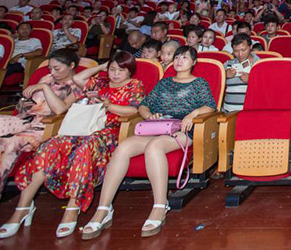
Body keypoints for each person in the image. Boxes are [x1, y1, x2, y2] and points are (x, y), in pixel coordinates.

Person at [2, 52, 145, 238]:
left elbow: (134, 110)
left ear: (130, 71)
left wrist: (107, 104)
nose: (116, 74)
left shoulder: (134, 85)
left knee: (85, 148)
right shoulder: (99, 83)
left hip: (110, 131)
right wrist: (102, 67)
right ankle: (23, 207)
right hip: (82, 128)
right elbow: (78, 77)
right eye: (112, 69)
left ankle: (72, 206)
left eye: (121, 70)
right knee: (50, 146)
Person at [82, 46, 216, 239]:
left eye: (185, 57)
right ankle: (103, 209)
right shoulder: (164, 83)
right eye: (177, 57)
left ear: (193, 62)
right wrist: (149, 116)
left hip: (183, 129)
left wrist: (192, 114)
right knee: (124, 148)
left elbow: (210, 106)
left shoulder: (199, 83)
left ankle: (160, 205)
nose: (179, 60)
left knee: (155, 147)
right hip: (157, 126)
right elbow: (143, 105)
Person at [0, 48, 82, 240]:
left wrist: (44, 88)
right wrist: (36, 89)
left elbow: (59, 110)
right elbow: (21, 109)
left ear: (71, 66)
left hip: (44, 130)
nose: (51, 72)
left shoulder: (77, 85)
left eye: (57, 68)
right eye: (49, 67)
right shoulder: (46, 80)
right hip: (20, 125)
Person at [223, 34, 258, 111]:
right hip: (227, 111)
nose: (240, 54)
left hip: (251, 112)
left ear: (250, 47)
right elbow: (214, 83)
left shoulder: (260, 64)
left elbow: (268, 90)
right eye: (236, 51)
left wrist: (252, 80)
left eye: (243, 50)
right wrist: (224, 75)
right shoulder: (228, 64)